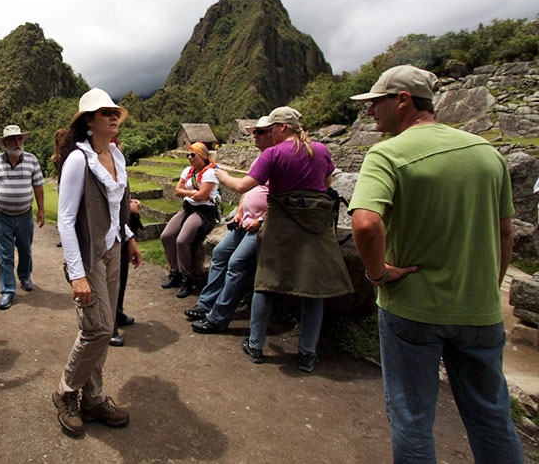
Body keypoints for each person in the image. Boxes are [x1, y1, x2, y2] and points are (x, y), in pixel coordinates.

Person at [348, 65, 524, 463]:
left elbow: (366, 222)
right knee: (492, 417)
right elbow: (505, 234)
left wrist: (378, 274)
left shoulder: (388, 153)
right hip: (479, 312)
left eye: (377, 103)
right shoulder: (487, 155)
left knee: (412, 417)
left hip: (413, 309)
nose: (371, 112)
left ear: (403, 100)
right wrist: (486, 289)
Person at [215, 106, 352, 373]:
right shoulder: (321, 150)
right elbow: (326, 184)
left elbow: (243, 186)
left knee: (266, 283)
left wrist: (222, 176)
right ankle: (307, 353)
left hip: (281, 222)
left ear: (282, 128)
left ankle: (256, 345)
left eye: (271, 128)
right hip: (315, 226)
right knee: (314, 290)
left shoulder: (274, 154)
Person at [53, 88, 142, 436]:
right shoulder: (78, 159)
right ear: (89, 121)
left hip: (113, 248)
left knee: (101, 331)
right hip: (89, 253)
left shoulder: (116, 156)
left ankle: (93, 398)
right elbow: (65, 218)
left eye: (114, 111)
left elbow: (117, 206)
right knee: (99, 328)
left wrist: (130, 238)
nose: (113, 117)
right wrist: (77, 274)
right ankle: (65, 391)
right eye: (105, 113)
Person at [186, 117, 274, 334]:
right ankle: (206, 303)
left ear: (273, 133)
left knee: (236, 264)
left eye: (260, 132)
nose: (255, 136)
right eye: (254, 132)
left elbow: (278, 198)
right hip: (244, 221)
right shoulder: (260, 159)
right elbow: (249, 188)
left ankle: (218, 317)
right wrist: (241, 210)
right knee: (219, 253)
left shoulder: (278, 160)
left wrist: (260, 219)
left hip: (260, 225)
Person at [0, 124, 45, 310]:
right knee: (5, 254)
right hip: (2, 216)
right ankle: (8, 290)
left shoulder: (31, 160)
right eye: (12, 139)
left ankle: (25, 277)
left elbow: (38, 186)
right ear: (5, 143)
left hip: (25, 215)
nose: (17, 143)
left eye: (19, 139)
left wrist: (41, 209)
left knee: (25, 250)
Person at [160, 142, 219, 298]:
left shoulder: (210, 173)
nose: (189, 158)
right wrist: (194, 192)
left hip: (204, 211)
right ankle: (175, 273)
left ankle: (188, 278)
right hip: (189, 207)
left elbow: (202, 197)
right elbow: (177, 191)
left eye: (193, 155)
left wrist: (188, 193)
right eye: (188, 155)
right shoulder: (188, 171)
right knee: (167, 236)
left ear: (204, 156)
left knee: (182, 240)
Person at [110, 197, 142, 347]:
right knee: (107, 283)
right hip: (97, 236)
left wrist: (130, 238)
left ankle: (117, 313)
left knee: (121, 275)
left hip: (119, 231)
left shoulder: (119, 173)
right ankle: (108, 324)